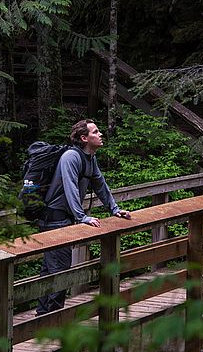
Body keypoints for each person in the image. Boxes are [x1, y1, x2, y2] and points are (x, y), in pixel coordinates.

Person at [35, 119, 131, 315]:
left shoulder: (90, 158)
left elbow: (100, 185)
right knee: (59, 272)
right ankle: (50, 321)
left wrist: (114, 209)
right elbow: (70, 187)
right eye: (96, 132)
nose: (100, 134)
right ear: (84, 138)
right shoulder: (71, 156)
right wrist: (82, 217)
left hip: (64, 219)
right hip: (54, 220)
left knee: (51, 270)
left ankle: (42, 318)